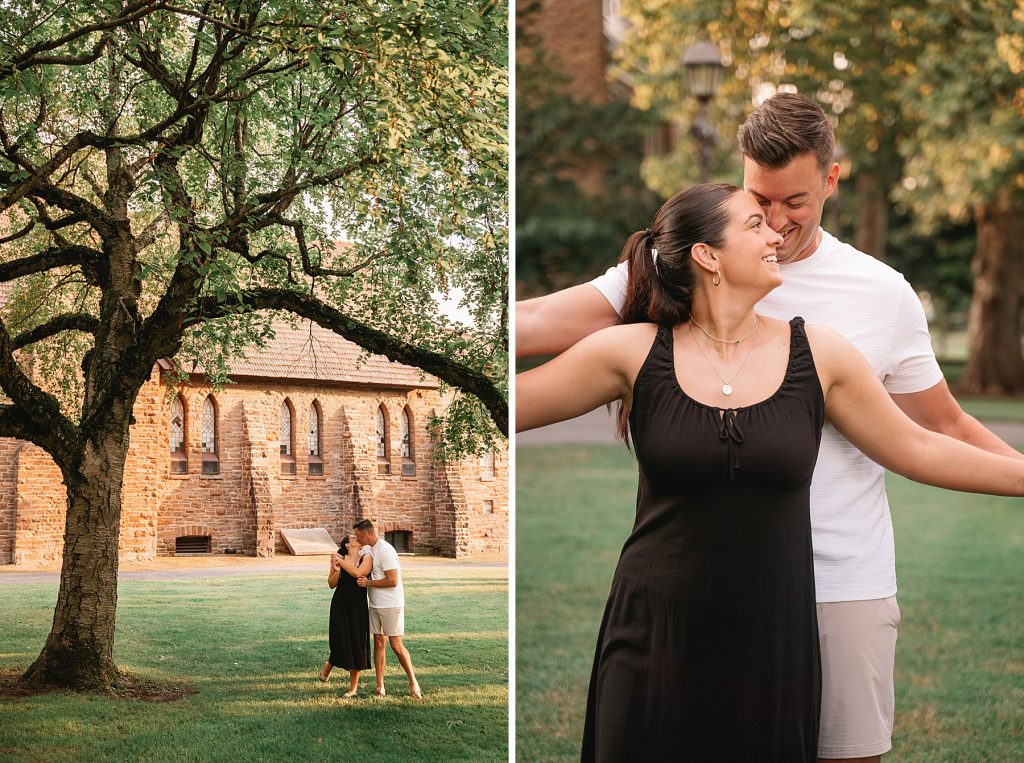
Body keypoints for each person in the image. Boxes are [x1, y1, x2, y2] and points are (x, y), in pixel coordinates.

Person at [516, 93, 1024, 762]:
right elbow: (530, 330)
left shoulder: (871, 301)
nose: (777, 227)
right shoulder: (657, 301)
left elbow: (934, 433)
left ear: (831, 182)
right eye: (760, 206)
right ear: (707, 253)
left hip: (837, 581)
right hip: (687, 598)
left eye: (794, 204)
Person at [352, 518, 422, 699]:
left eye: (358, 535)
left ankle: (414, 683)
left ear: (366, 533)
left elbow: (392, 580)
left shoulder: (386, 550)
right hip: (374, 604)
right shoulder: (370, 549)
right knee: (378, 643)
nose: (356, 538)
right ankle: (380, 686)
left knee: (396, 645)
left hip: (391, 604)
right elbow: (356, 551)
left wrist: (368, 582)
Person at [320, 533, 373, 697]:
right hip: (340, 605)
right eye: (353, 537)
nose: (357, 538)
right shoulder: (338, 558)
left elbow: (358, 573)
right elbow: (331, 584)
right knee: (339, 639)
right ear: (348, 544)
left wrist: (341, 563)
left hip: (358, 607)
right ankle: (330, 663)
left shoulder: (366, 558)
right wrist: (336, 571)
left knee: (357, 643)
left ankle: (353, 688)